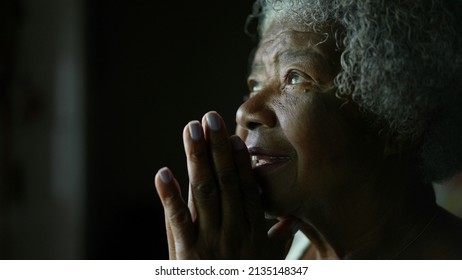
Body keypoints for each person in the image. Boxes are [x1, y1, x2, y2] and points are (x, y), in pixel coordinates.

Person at [154, 0, 462, 259]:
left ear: (396, 120)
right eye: (255, 85)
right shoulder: (269, 253)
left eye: (295, 77)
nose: (246, 112)